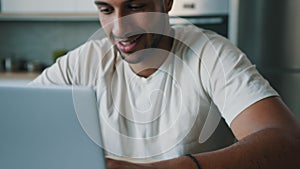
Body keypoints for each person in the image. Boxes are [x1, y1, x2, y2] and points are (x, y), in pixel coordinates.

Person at [30, 0, 300, 168]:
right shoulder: (82, 63)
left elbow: (287, 144)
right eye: (106, 10)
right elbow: (16, 125)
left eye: (135, 7)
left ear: (167, 1)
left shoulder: (210, 54)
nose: (119, 29)